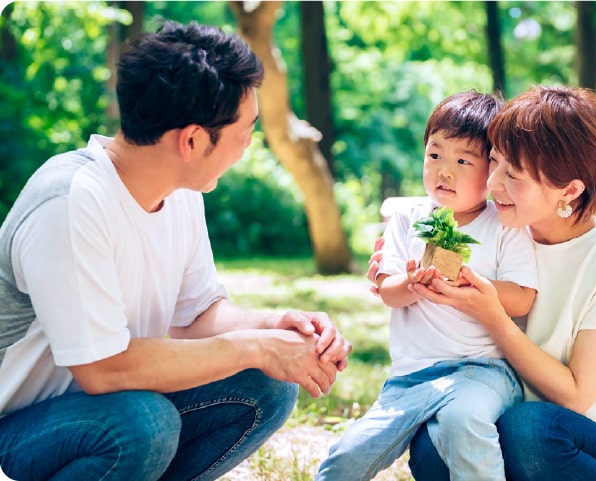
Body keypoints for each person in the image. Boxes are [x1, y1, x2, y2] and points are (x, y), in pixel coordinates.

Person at [0, 21, 351, 481]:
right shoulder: (71, 201)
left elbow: (196, 316)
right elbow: (103, 369)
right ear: (192, 140)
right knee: (143, 424)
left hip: (106, 403)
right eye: (244, 135)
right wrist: (256, 346)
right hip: (20, 422)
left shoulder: (181, 191)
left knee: (266, 382)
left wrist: (274, 328)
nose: (248, 148)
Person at [374, 86, 596, 481]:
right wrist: (394, 268)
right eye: (494, 162)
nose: (493, 183)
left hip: (590, 439)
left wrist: (492, 315)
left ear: (568, 190)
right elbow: (414, 211)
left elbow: (574, 396)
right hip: (501, 413)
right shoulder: (501, 234)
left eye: (513, 175)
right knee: (434, 443)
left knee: (529, 429)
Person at [316, 92, 538, 481]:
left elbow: (522, 299)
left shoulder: (503, 225)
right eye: (435, 155)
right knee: (349, 453)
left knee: (462, 420)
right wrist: (413, 283)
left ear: (492, 169)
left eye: (463, 161)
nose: (444, 171)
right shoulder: (407, 218)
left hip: (483, 371)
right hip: (410, 376)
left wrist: (472, 282)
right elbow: (387, 290)